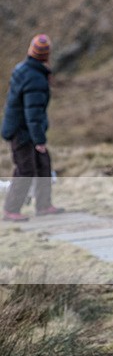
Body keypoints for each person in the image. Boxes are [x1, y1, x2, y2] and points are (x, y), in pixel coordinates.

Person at [2, 34, 63, 222]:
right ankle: (11, 210)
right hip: (22, 131)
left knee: (43, 164)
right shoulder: (34, 78)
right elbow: (33, 113)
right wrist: (39, 141)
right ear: (46, 55)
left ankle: (44, 206)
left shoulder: (24, 69)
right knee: (25, 169)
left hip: (23, 128)